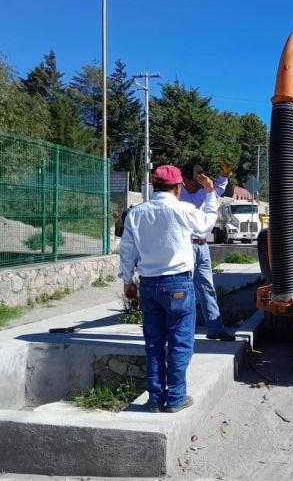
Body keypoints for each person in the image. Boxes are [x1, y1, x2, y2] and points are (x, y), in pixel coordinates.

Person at [119, 165, 219, 413]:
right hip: (178, 284)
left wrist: (127, 281)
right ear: (177, 187)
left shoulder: (137, 213)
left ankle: (155, 400)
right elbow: (205, 226)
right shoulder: (183, 209)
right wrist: (210, 194)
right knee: (180, 343)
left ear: (155, 186)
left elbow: (127, 249)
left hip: (149, 284)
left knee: (153, 344)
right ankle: (175, 398)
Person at [179, 158, 236, 341]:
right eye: (196, 180)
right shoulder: (178, 194)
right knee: (183, 291)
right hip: (185, 245)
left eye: (202, 180)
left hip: (203, 246)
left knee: (207, 288)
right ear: (185, 180)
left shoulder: (204, 191)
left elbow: (217, 189)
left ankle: (214, 328)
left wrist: (224, 175)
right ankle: (181, 332)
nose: (200, 184)